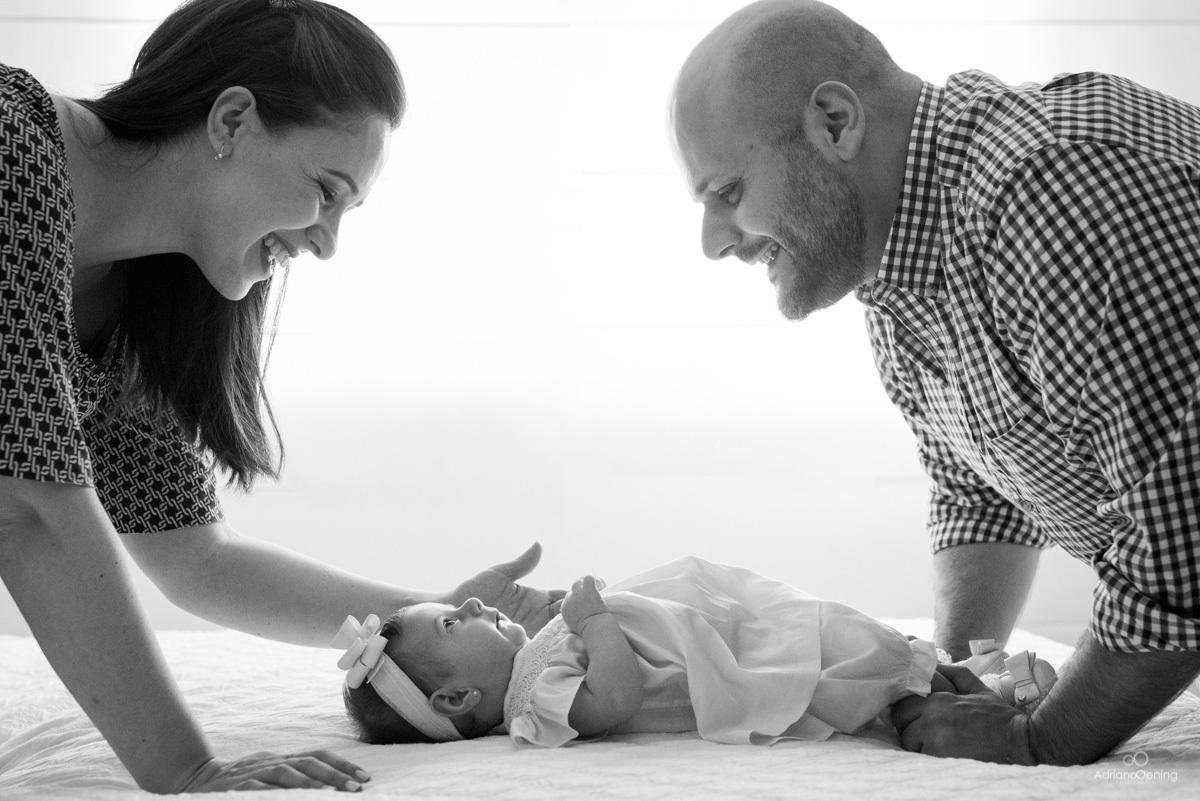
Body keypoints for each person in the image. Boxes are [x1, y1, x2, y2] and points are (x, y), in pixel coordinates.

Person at [0, 0, 561, 793]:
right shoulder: (10, 152)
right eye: (326, 191)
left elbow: (199, 561)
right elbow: (25, 512)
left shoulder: (143, 301)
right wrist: (188, 769)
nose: (326, 242)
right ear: (232, 121)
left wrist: (429, 610)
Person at [666, 0, 1200, 766]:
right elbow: (981, 489)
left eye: (727, 192)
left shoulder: (1050, 191)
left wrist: (1033, 738)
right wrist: (953, 672)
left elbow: (1180, 563)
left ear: (835, 121)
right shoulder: (896, 269)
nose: (714, 242)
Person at [336, 556, 1055, 747]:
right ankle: (973, 694)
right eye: (454, 626)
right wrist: (591, 622)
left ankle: (962, 671)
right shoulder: (532, 706)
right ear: (455, 698)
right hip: (729, 662)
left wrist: (569, 618)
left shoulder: (530, 664)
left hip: (723, 625)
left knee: (827, 626)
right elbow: (613, 700)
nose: (467, 603)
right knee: (834, 666)